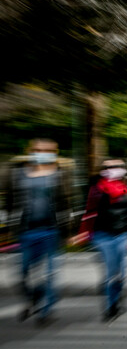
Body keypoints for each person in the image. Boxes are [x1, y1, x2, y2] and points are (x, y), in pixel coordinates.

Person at [5, 138, 70, 324]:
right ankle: (34, 296)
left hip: (51, 231)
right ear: (30, 150)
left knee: (50, 273)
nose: (41, 153)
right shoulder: (17, 174)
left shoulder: (59, 174)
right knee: (22, 272)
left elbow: (65, 202)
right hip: (26, 231)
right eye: (37, 149)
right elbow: (10, 202)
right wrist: (8, 228)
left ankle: (46, 311)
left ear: (55, 153)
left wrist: (68, 231)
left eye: (46, 150)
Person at [77, 159, 127, 321]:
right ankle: (111, 307)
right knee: (111, 272)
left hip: (122, 235)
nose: (113, 170)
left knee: (123, 273)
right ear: (102, 170)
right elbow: (89, 211)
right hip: (103, 235)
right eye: (108, 167)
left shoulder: (124, 188)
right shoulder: (97, 189)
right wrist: (83, 233)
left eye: (117, 167)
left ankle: (116, 295)